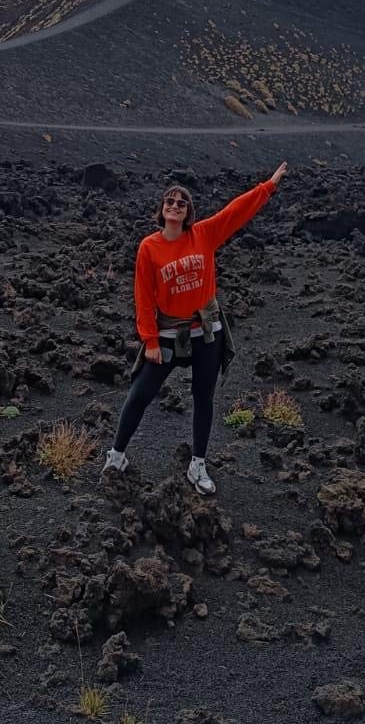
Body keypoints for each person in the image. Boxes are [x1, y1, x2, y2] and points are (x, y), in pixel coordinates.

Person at [102, 162, 287, 495]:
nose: (175, 206)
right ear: (162, 209)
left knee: (204, 397)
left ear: (188, 212)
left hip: (206, 334)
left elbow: (235, 212)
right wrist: (150, 340)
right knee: (140, 394)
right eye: (170, 202)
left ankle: (198, 464)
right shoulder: (149, 248)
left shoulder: (203, 234)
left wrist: (267, 187)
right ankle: (116, 456)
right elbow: (143, 298)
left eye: (182, 202)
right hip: (169, 336)